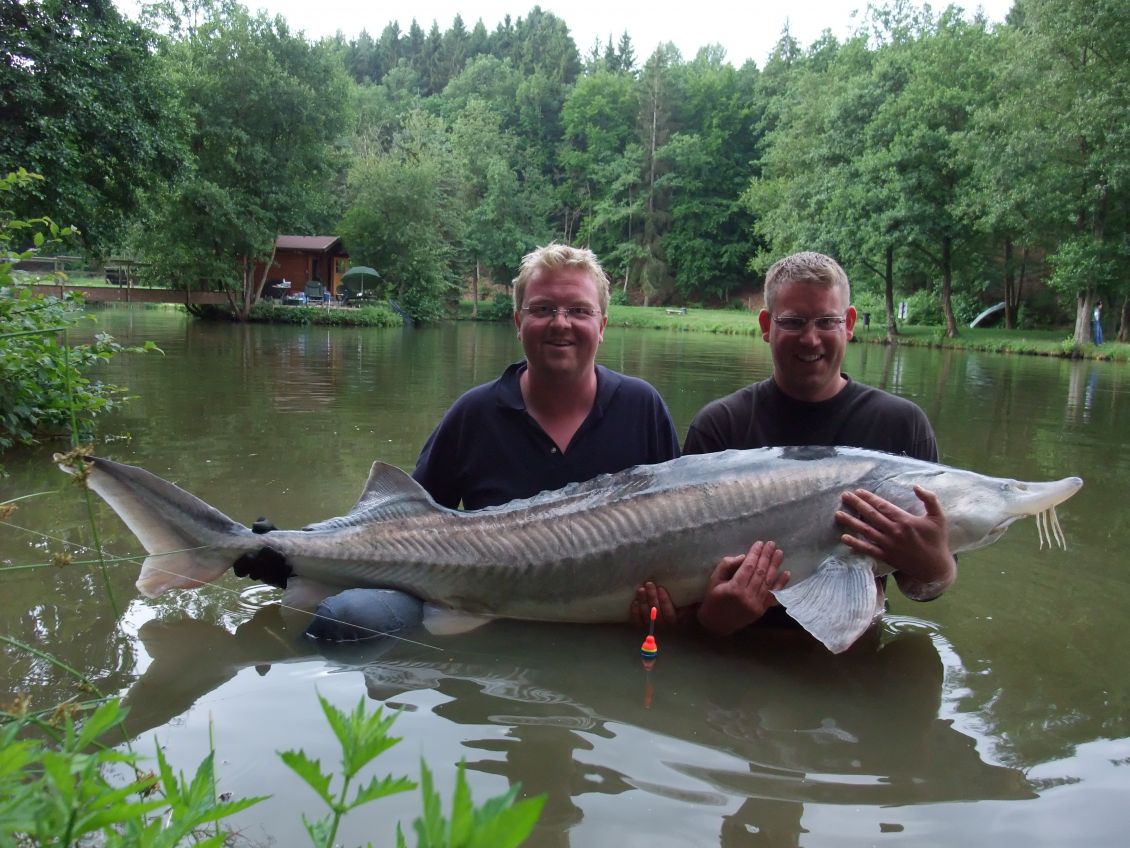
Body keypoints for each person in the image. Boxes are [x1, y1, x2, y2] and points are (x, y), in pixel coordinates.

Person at [239, 243, 681, 639]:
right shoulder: (475, 413)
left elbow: (684, 527)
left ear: (602, 324)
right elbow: (402, 523)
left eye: (579, 311)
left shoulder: (642, 409)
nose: (560, 323)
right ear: (517, 321)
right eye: (542, 309)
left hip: (605, 623)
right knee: (347, 619)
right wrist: (292, 553)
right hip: (468, 601)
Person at [632, 251, 956, 639]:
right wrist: (709, 622)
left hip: (849, 650)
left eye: (826, 321)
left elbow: (920, 589)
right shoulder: (721, 427)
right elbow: (677, 574)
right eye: (793, 322)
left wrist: (939, 569)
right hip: (739, 653)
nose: (811, 337)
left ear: (849, 323)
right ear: (767, 325)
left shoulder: (902, 427)